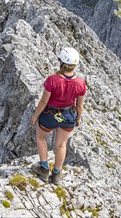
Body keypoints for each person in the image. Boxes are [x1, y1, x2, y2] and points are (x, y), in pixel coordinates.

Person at [30, 47, 87, 184]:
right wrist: (78, 119)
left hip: (50, 114)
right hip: (68, 116)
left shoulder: (52, 80)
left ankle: (44, 169)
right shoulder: (80, 83)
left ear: (61, 62)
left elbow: (44, 101)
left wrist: (35, 116)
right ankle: (56, 174)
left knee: (41, 138)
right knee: (61, 145)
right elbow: (79, 105)